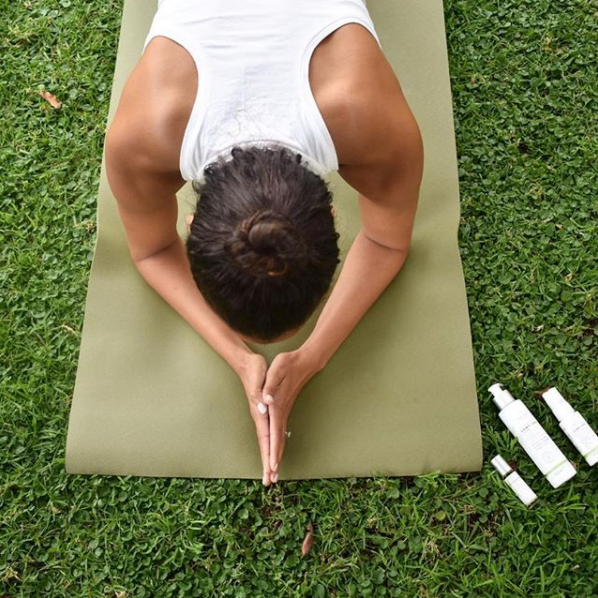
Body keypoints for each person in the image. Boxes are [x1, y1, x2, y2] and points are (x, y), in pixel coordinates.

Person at [104, 0, 423, 486]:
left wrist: (311, 356)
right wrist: (239, 355)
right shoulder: (144, 134)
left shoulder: (146, 132)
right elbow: (149, 252)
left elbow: (387, 242)